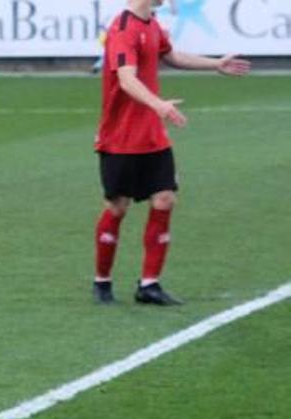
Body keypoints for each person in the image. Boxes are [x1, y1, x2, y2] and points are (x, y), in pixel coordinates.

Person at [92, 0, 251, 305]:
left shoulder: (151, 24)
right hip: (120, 137)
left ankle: (149, 284)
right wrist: (159, 104)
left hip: (153, 136)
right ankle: (102, 281)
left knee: (165, 198)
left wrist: (215, 64)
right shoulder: (122, 29)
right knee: (117, 207)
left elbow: (172, 56)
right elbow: (126, 79)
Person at [92, 0, 176, 73]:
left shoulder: (152, 24)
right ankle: (98, 65)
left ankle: (98, 65)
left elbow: (169, 55)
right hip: (109, 36)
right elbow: (127, 80)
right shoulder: (126, 25)